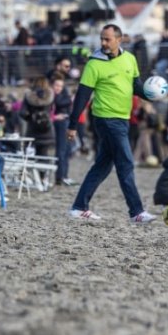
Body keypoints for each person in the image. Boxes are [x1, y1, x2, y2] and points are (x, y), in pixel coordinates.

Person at [66, 24, 157, 223]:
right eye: (102, 39)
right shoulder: (94, 63)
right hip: (106, 118)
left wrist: (150, 94)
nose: (103, 43)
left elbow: (135, 86)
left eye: (107, 39)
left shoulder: (130, 59)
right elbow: (82, 96)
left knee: (103, 166)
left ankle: (79, 207)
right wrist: (73, 124)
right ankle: (136, 212)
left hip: (123, 118)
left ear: (119, 39)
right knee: (126, 163)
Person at [20, 76, 55, 159]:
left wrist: (30, 118)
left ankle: (33, 172)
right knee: (43, 155)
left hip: (32, 130)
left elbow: (22, 113)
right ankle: (43, 171)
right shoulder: (50, 95)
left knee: (30, 156)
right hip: (46, 130)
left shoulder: (29, 96)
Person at [51, 73, 75, 186]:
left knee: (66, 150)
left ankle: (64, 175)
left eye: (60, 86)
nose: (58, 88)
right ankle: (60, 177)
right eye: (56, 85)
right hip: (58, 124)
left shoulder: (62, 96)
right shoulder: (51, 96)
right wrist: (55, 117)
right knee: (61, 151)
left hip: (65, 123)